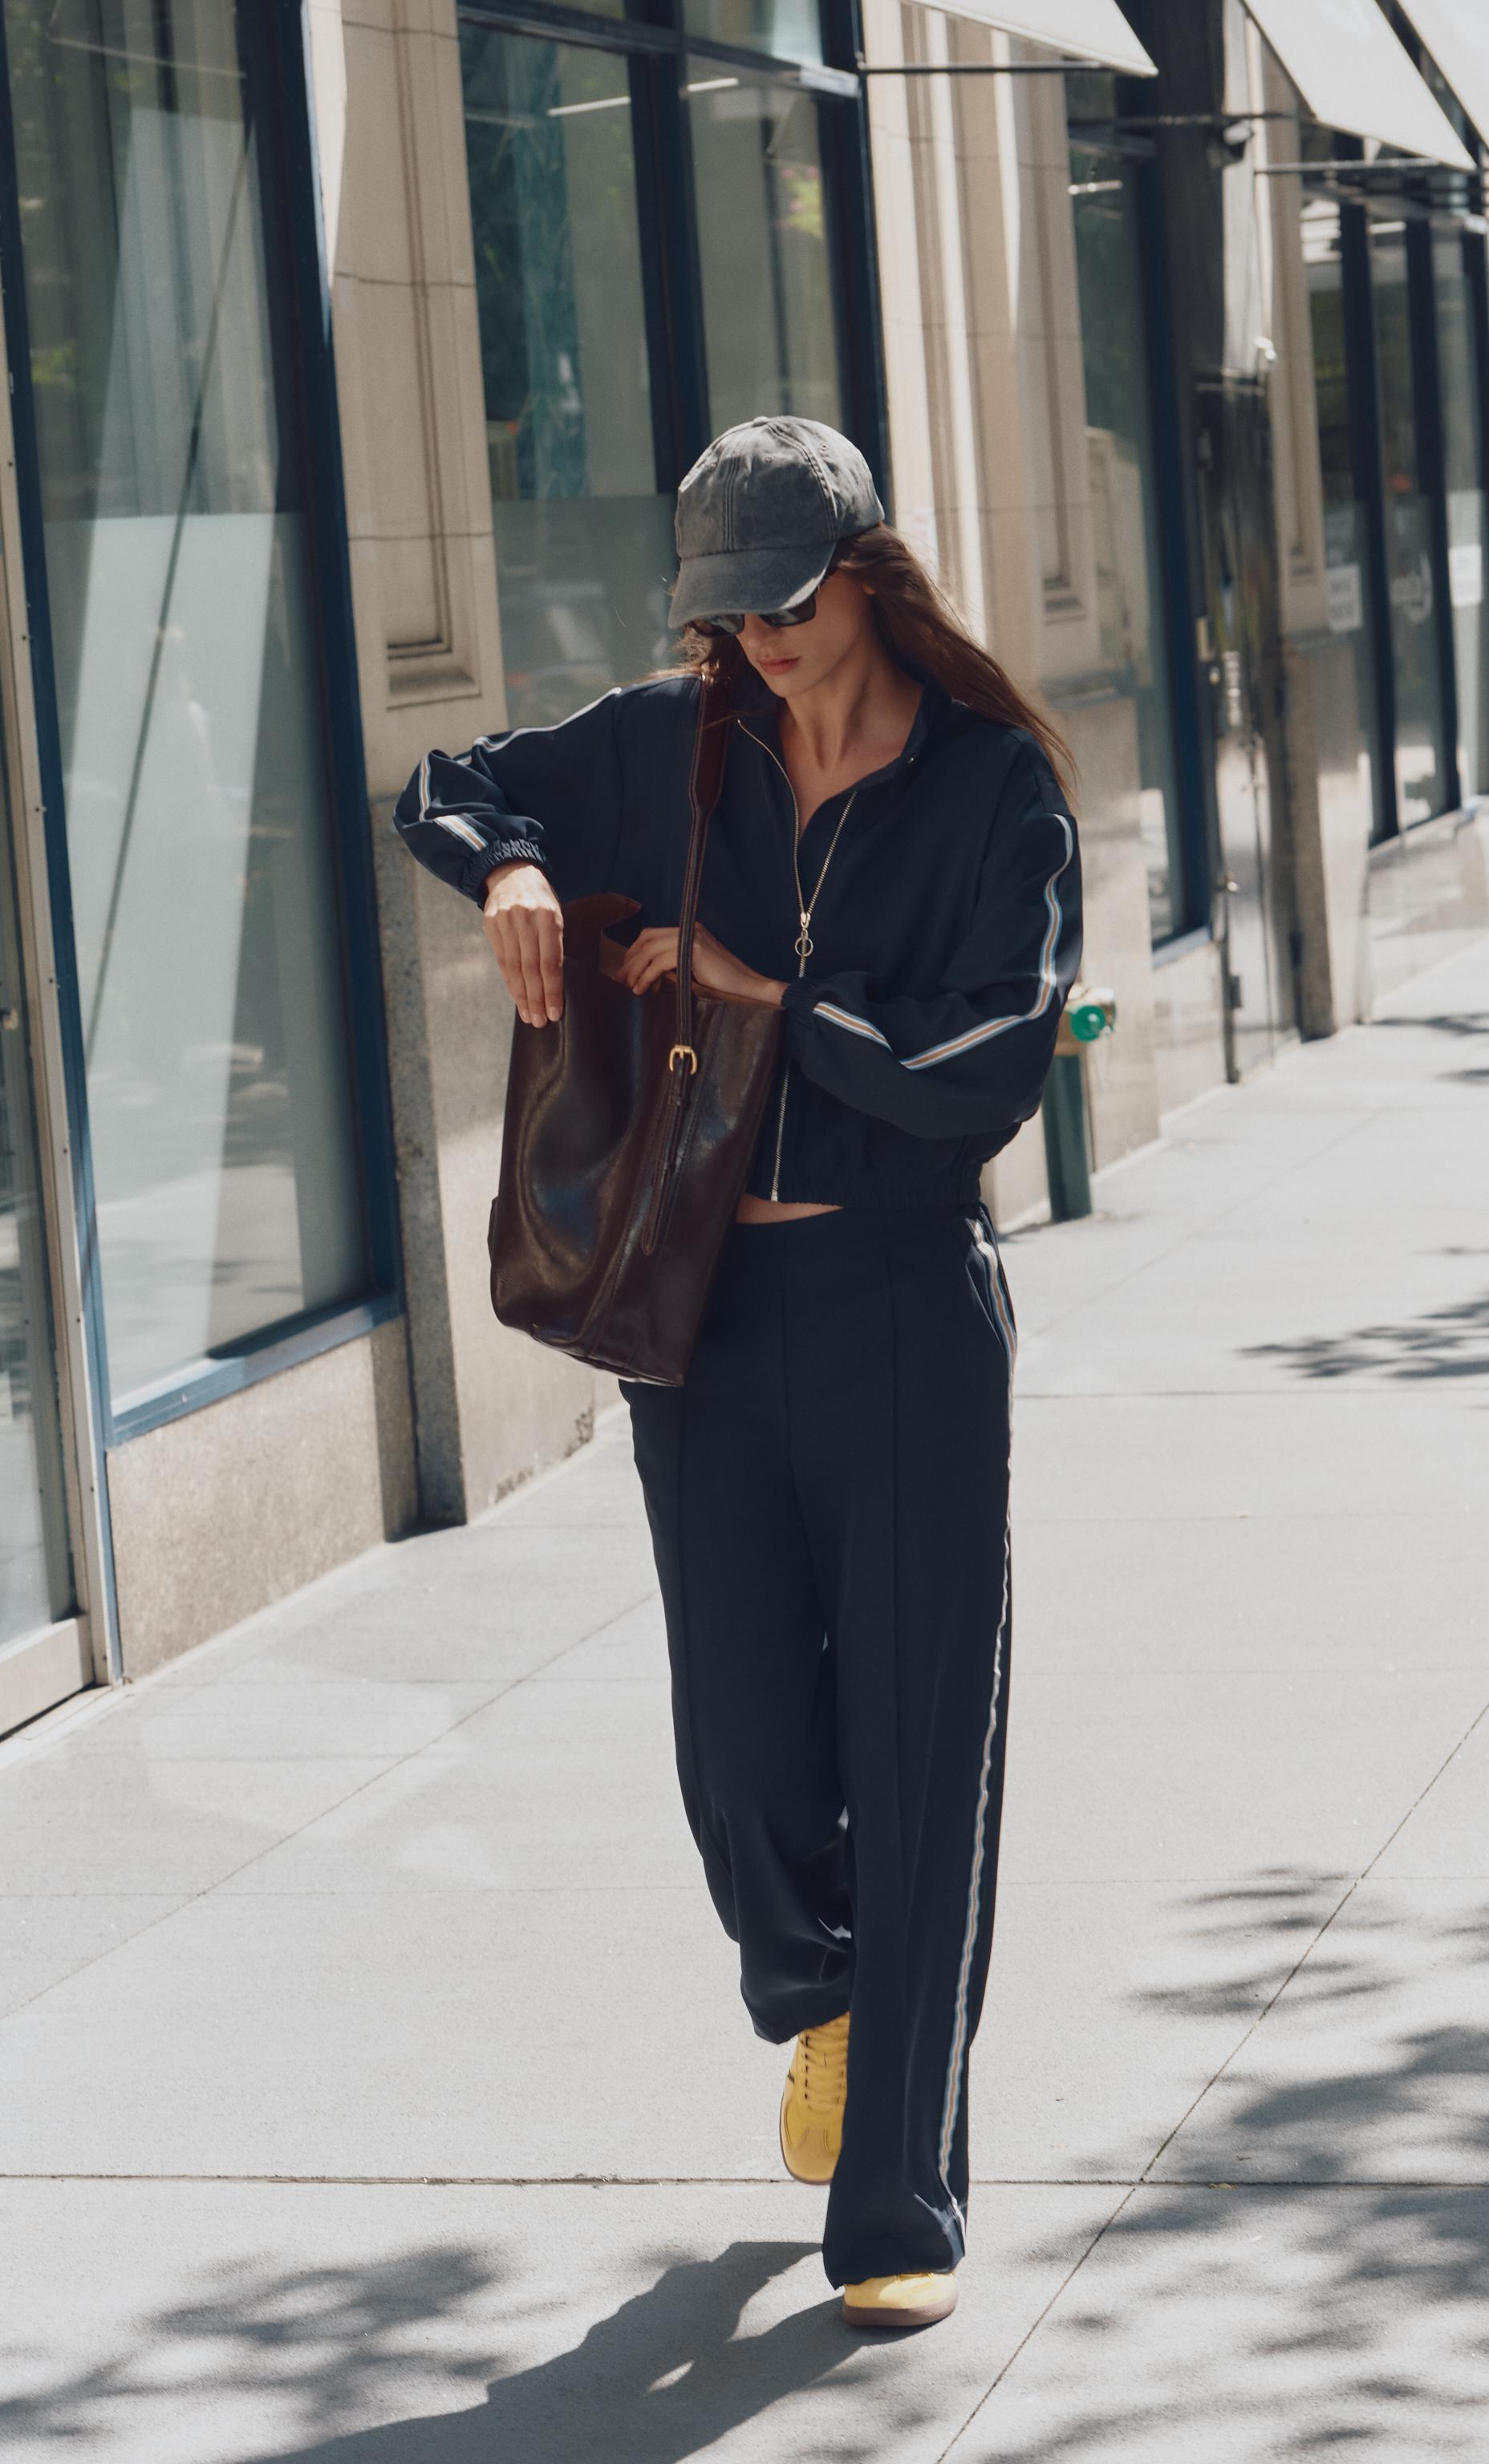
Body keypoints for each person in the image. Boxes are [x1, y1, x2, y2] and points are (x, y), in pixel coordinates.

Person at [392, 415, 1081, 2331]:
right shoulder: (667, 745)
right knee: (743, 1740)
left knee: (921, 1743)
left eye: (785, 601)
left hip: (898, 1305)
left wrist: (772, 996)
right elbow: (448, 779)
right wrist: (516, 872)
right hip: (696, 1324)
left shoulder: (990, 788)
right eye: (726, 612)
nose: (759, 641)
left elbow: (983, 1076)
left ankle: (901, 2201)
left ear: (866, 568)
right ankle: (820, 1991)